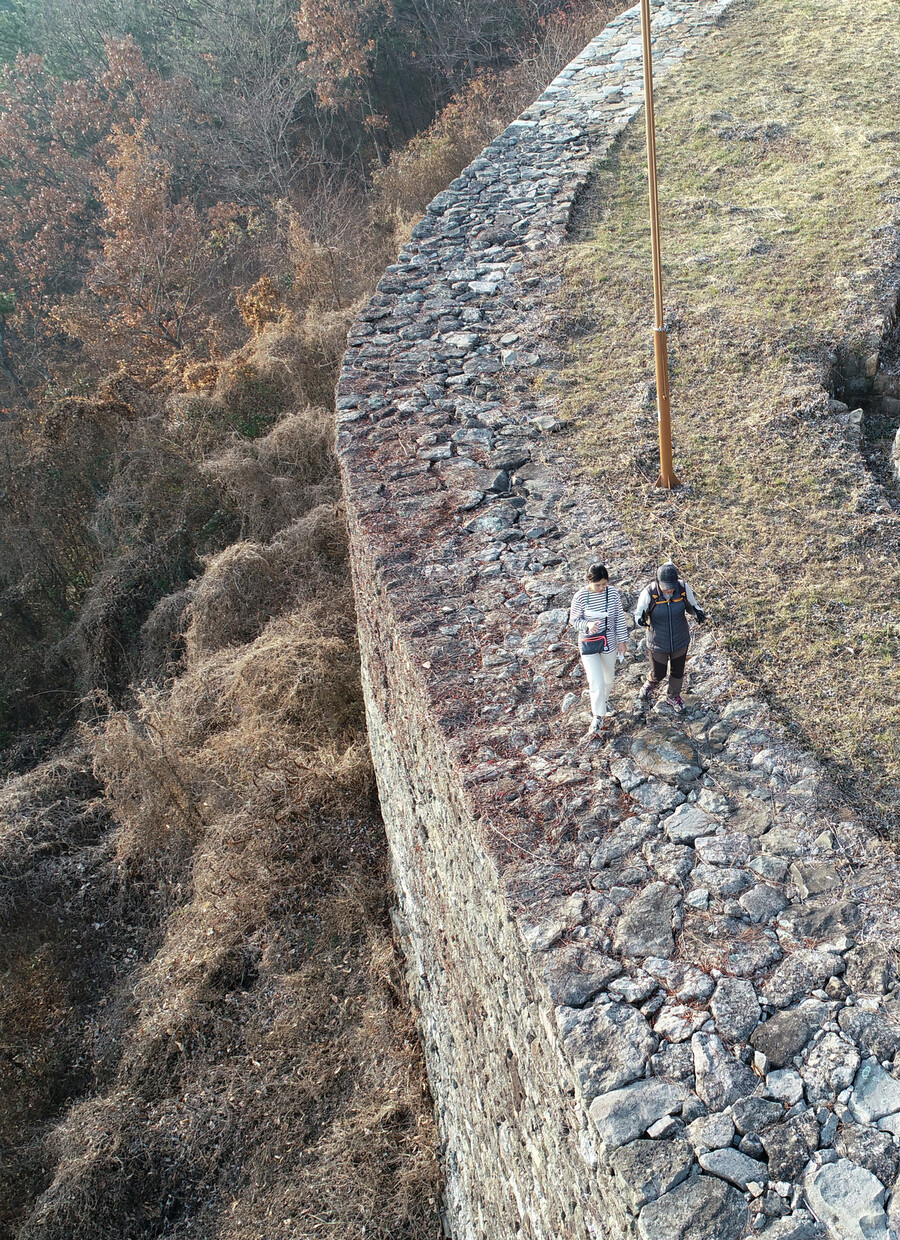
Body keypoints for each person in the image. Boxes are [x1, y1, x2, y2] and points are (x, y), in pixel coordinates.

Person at [633, 561, 706, 713]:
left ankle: (673, 696)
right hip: (658, 640)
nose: (669, 590)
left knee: (678, 671)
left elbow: (693, 605)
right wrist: (640, 620)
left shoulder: (683, 588)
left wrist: (698, 613)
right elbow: (639, 614)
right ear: (658, 582)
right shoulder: (649, 593)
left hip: (680, 638)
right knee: (659, 672)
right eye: (666, 587)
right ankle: (650, 683)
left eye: (671, 586)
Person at [568, 563, 628, 737]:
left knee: (609, 680)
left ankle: (604, 701)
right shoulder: (580, 597)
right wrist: (587, 624)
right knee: (596, 682)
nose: (602, 588)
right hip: (588, 644)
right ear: (589, 581)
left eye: (604, 584)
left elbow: (619, 618)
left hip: (608, 640)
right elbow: (574, 621)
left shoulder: (613, 593)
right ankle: (598, 717)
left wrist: (622, 641)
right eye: (598, 585)